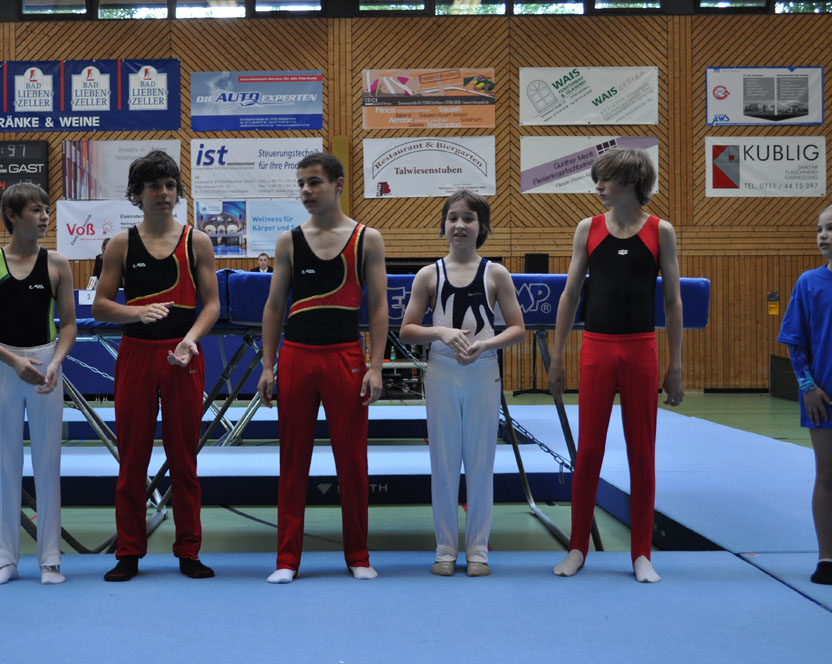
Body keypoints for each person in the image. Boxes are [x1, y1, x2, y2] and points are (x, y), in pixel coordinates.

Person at [547, 148, 683, 583]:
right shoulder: (587, 228)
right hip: (597, 349)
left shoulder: (661, 232)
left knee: (642, 452)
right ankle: (577, 548)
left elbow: (673, 301)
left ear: (630, 182)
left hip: (641, 350)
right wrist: (557, 355)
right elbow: (570, 295)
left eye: (605, 179)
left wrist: (676, 364)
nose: (598, 186)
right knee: (589, 450)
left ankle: (641, 553)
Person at [258, 152, 387, 583]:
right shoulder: (288, 241)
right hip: (297, 356)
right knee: (293, 460)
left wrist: (375, 366)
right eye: (301, 183)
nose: (306, 191)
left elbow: (379, 307)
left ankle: (358, 554)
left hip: (345, 357)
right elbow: (274, 306)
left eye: (314, 182)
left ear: (338, 184)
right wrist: (268, 366)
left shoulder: (367, 239)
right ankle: (286, 559)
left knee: (352, 461)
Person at [92, 150, 219, 582]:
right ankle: (129, 551)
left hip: (182, 357)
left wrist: (190, 339)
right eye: (153, 187)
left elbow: (212, 305)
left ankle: (189, 550)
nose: (163, 193)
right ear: (137, 194)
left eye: (169, 186)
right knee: (132, 458)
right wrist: (136, 313)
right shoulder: (121, 244)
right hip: (137, 356)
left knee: (184, 459)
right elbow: (100, 306)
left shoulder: (197, 242)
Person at [399, 190, 525, 577]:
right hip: (442, 371)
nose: (459, 225)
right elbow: (406, 330)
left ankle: (478, 551)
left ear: (481, 227)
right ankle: (445, 549)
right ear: (443, 225)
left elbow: (518, 328)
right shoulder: (428, 275)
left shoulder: (496, 273)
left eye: (468, 218)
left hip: (483, 371)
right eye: (453, 217)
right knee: (444, 463)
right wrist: (440, 331)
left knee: (481, 464)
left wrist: (487, 343)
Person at [0, 183, 77, 585]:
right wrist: (13, 361)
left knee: (48, 462)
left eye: (46, 209)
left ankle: (50, 558)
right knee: (6, 461)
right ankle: (5, 557)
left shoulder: (57, 264)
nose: (45, 216)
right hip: (4, 366)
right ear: (12, 216)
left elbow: (69, 325)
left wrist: (55, 362)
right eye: (36, 210)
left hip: (46, 364)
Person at [778, 204, 832, 585]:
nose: (823, 236)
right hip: (823, 397)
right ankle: (827, 556)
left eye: (830, 229)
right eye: (819, 229)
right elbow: (795, 343)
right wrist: (807, 387)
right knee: (826, 474)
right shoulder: (809, 283)